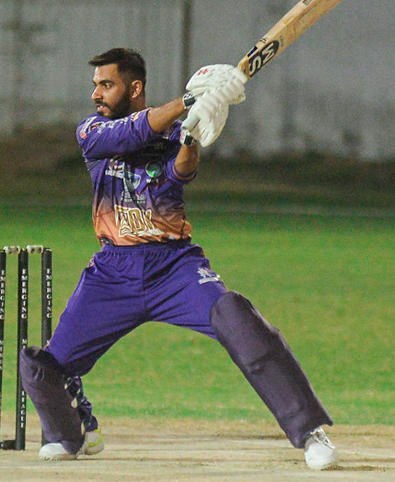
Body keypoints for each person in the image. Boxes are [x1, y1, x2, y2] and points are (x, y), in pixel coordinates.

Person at [19, 47, 338, 470]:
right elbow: (129, 134)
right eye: (96, 84)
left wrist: (190, 134)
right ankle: (71, 431)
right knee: (45, 366)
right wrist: (189, 100)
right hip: (113, 272)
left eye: (106, 84)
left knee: (238, 319)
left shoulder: (172, 133)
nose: (96, 93)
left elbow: (180, 174)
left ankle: (310, 432)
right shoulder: (92, 131)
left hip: (174, 268)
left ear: (134, 87)